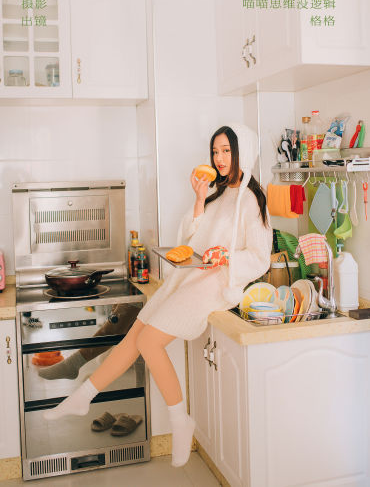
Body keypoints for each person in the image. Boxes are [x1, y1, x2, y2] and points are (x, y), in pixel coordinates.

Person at [43, 123, 273, 467]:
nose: (219, 158)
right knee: (135, 336)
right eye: (215, 151)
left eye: (226, 150)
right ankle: (84, 395)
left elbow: (259, 257)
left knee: (149, 342)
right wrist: (198, 198)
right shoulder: (218, 192)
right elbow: (191, 242)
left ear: (243, 152)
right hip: (190, 279)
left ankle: (181, 423)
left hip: (216, 286)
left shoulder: (252, 200)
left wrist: (228, 257)